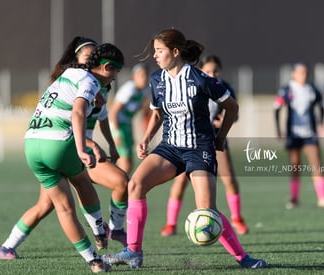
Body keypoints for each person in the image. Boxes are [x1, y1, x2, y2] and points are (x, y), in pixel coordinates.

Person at [102, 29, 267, 269]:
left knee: (207, 211)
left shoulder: (201, 79)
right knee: (135, 185)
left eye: (159, 51)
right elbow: (157, 113)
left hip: (199, 148)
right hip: (170, 146)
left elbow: (231, 107)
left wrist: (220, 138)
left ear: (175, 52)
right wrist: (146, 139)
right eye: (155, 51)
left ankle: (244, 258)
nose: (155, 56)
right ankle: (134, 252)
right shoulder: (157, 80)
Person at [0, 43, 124, 273]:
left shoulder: (70, 73)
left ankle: (95, 262)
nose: (115, 78)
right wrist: (82, 149)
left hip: (32, 145)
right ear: (106, 67)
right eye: (116, 72)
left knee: (63, 208)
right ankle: (98, 231)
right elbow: (76, 112)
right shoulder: (90, 81)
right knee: (83, 181)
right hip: (58, 144)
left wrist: (96, 102)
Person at [160, 55, 248, 237]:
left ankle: (237, 219)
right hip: (190, 142)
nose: (212, 74)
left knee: (229, 178)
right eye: (208, 71)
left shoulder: (223, 87)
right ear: (201, 71)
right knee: (181, 181)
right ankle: (170, 224)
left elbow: (234, 112)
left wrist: (224, 122)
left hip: (215, 141)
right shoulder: (195, 84)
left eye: (215, 71)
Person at [274, 62, 324, 209]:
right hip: (293, 134)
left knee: (316, 164)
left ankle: (323, 197)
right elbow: (276, 108)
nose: (303, 75)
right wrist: (278, 129)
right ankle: (294, 198)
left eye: (305, 73)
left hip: (310, 134)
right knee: (295, 166)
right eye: (300, 72)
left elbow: (321, 107)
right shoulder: (287, 90)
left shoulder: (312, 90)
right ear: (293, 74)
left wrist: (321, 124)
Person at [108, 63, 150, 174]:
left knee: (129, 163)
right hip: (118, 126)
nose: (144, 78)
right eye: (141, 75)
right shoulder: (129, 89)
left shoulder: (144, 91)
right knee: (125, 164)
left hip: (126, 126)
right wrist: (116, 134)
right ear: (134, 77)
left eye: (146, 75)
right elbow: (113, 113)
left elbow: (139, 113)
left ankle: (121, 187)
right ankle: (118, 186)